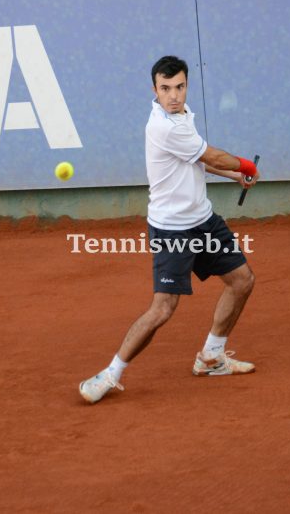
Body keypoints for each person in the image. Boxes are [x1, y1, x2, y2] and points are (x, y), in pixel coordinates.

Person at [79, 55, 260, 404]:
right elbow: (212, 156)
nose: (173, 95)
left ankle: (211, 357)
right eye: (165, 89)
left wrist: (235, 176)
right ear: (154, 90)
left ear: (186, 86)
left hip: (203, 220)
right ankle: (110, 373)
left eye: (179, 87)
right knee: (163, 308)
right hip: (172, 231)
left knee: (242, 280)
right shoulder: (163, 126)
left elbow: (198, 162)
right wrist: (245, 165)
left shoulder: (182, 115)